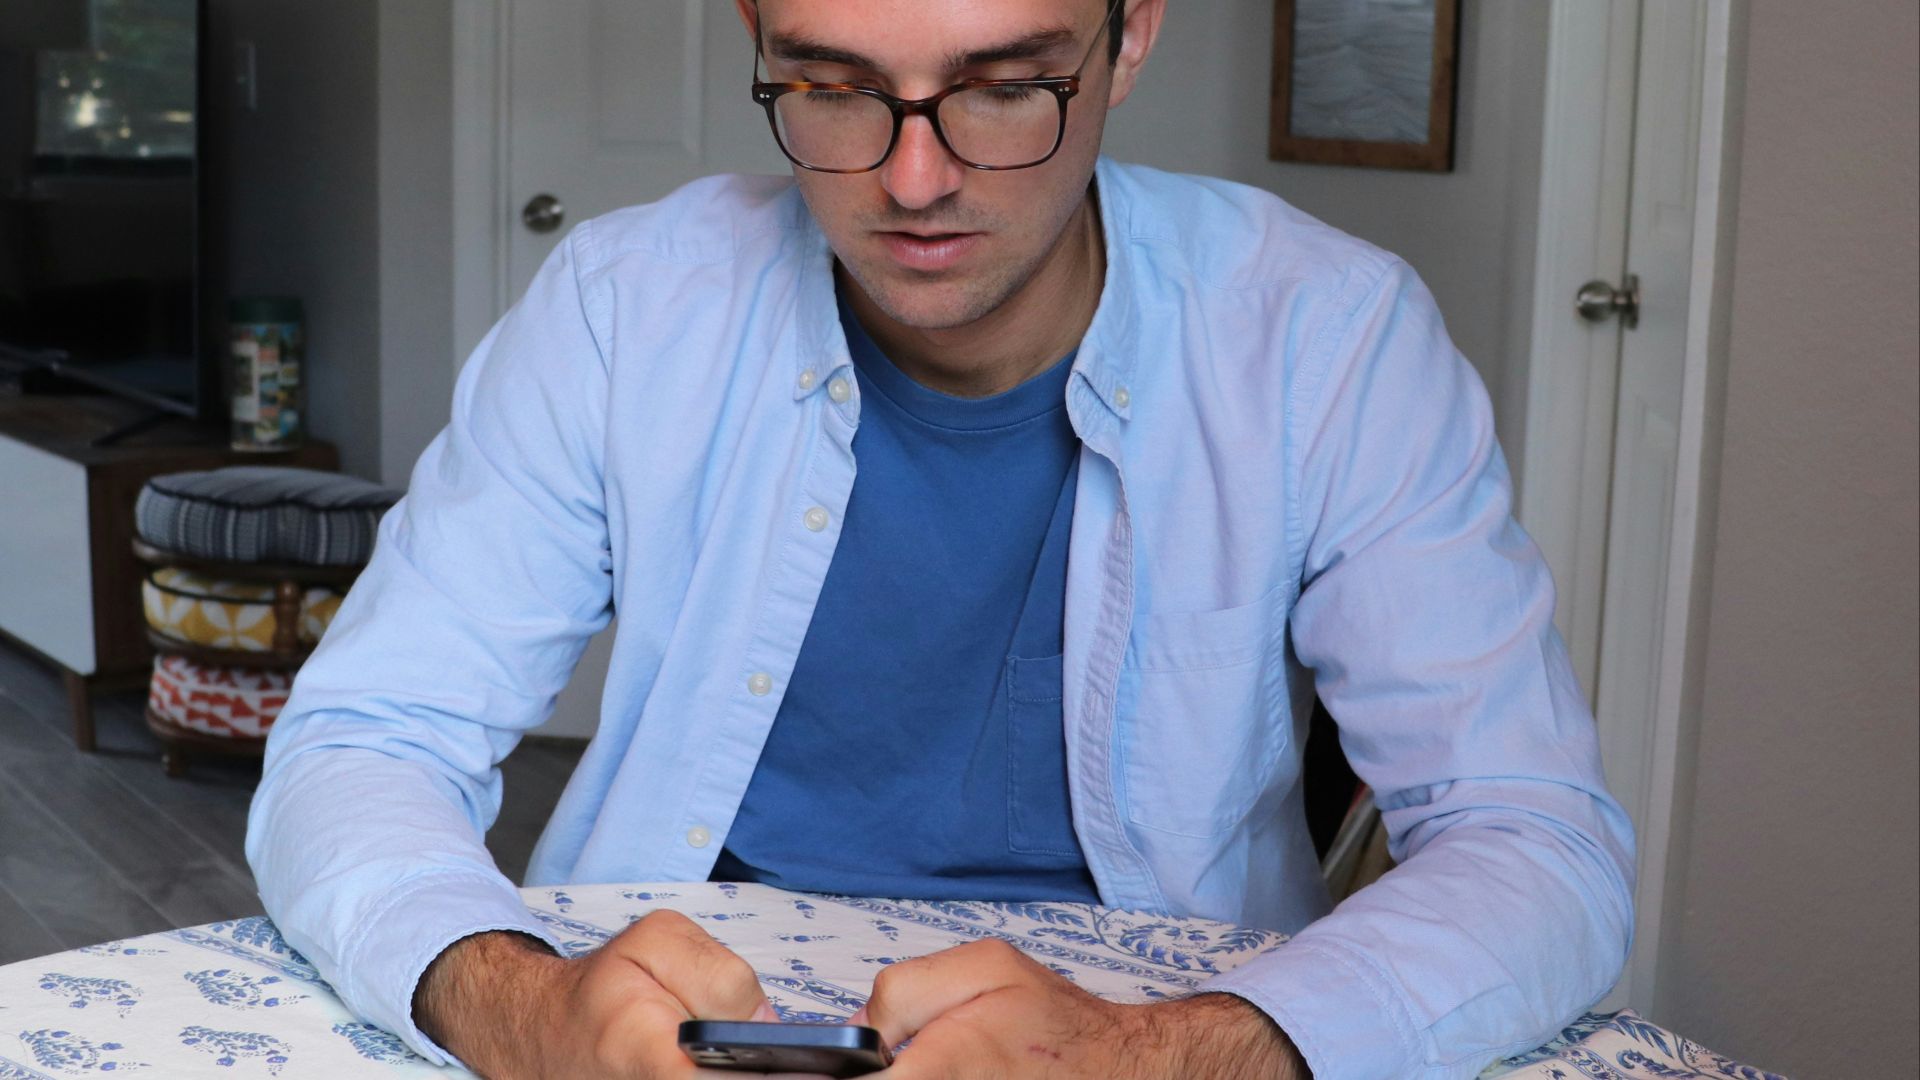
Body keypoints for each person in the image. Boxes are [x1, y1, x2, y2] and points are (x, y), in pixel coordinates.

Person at [246, 1, 1637, 1077]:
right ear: (758, 39)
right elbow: (365, 740)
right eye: (834, 88)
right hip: (676, 1025)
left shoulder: (1329, 340)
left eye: (1005, 86)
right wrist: (524, 1007)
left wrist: (1167, 1058)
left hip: (1143, 1032)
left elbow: (1533, 841)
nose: (914, 181)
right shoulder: (622, 308)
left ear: (1130, 32)